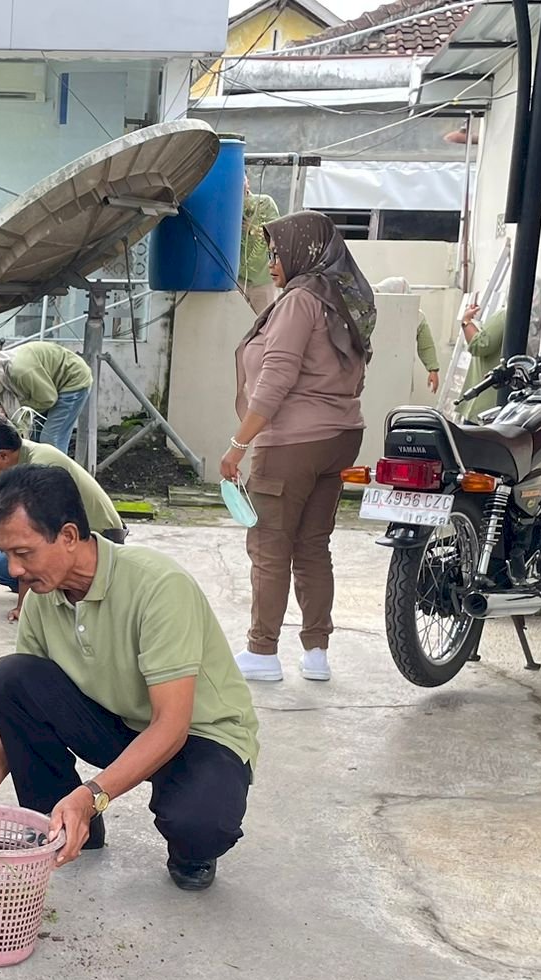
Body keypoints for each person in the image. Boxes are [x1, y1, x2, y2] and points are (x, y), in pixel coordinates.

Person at [0, 464, 259, 891]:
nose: (15, 570)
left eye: (24, 553)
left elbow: (172, 724)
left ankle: (185, 845)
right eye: (8, 555)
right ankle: (61, 824)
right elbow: (18, 710)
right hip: (118, 723)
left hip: (196, 733)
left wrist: (92, 795)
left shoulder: (158, 585)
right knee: (12, 677)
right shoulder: (44, 595)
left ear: (69, 536)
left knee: (198, 825)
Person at [220, 210, 373, 685]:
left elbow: (277, 377)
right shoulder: (342, 299)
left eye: (277, 252)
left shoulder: (300, 301)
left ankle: (262, 651)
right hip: (340, 436)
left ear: (305, 252)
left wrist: (238, 444)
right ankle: (316, 652)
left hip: (293, 442)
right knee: (312, 546)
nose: (271, 263)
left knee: (269, 545)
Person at [0, 412, 126, 621]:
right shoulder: (7, 470)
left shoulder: (41, 466)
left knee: (17, 556)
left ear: (2, 455)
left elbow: (35, 539)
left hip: (99, 541)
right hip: (58, 539)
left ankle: (56, 590)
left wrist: (24, 608)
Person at [0, 341, 92, 454]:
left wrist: (17, 409)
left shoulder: (20, 372)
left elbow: (48, 399)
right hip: (51, 387)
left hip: (72, 380)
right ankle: (38, 470)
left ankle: (57, 471)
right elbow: (4, 396)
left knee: (50, 438)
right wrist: (1, 407)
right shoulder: (2, 371)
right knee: (34, 437)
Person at [457, 280, 541, 419]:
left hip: (486, 401)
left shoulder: (505, 316)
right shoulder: (536, 322)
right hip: (514, 405)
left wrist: (466, 321)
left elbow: (480, 346)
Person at [374, 276, 440, 393]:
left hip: (400, 372)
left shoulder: (416, 316)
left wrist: (433, 369)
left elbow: (426, 345)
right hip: (373, 371)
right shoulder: (371, 313)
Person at [238, 179, 281, 315]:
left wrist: (253, 229)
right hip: (237, 280)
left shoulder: (265, 203)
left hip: (264, 280)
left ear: (248, 182)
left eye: (242, 179)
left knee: (265, 321)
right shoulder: (227, 206)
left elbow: (277, 235)